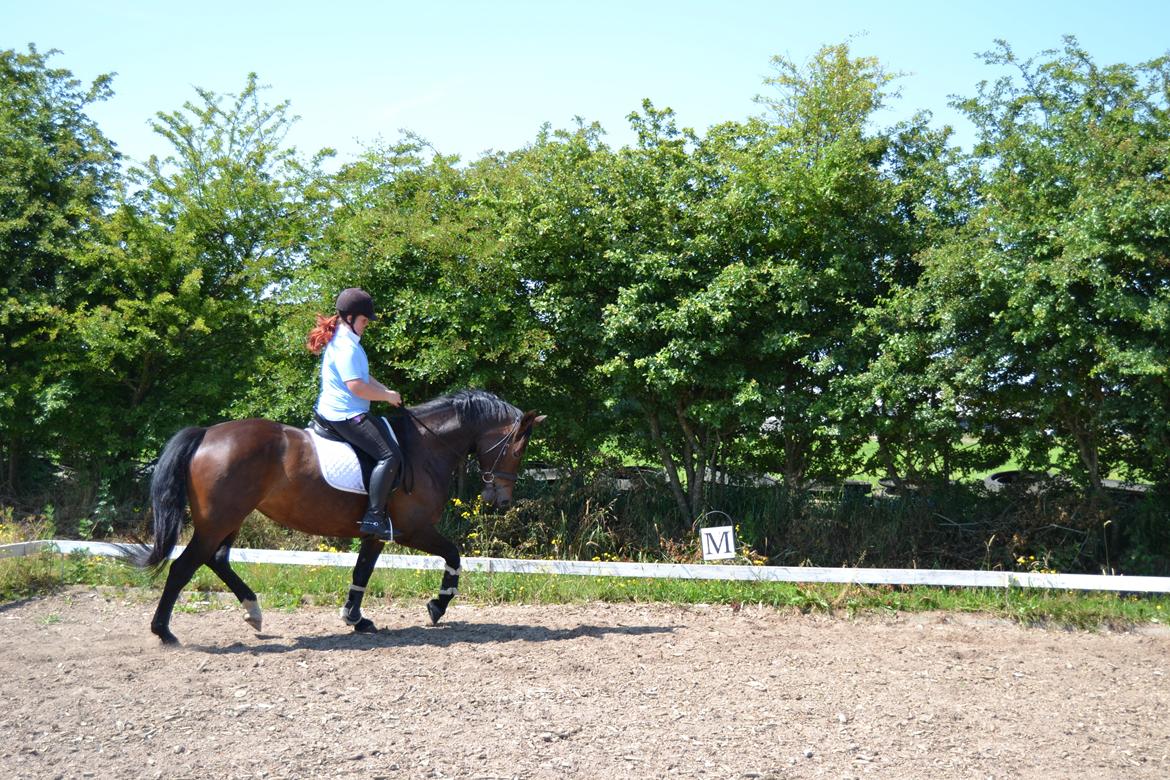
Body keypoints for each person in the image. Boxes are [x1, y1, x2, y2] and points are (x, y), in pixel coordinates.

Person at [306, 287, 403, 540]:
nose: (366, 325)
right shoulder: (346, 347)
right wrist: (386, 396)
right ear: (349, 318)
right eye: (363, 320)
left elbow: (364, 376)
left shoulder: (348, 342)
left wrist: (385, 389)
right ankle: (373, 518)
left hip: (343, 411)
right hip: (345, 416)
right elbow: (357, 387)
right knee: (389, 455)